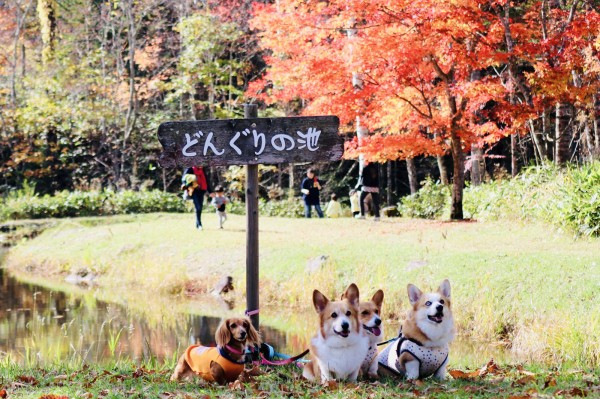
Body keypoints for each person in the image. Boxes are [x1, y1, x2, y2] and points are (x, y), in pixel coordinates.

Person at [182, 166, 210, 230]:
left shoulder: (202, 169)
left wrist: (210, 191)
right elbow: (184, 178)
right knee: (198, 207)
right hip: (194, 191)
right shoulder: (190, 168)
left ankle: (198, 224)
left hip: (202, 190)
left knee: (200, 207)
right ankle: (199, 224)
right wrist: (189, 184)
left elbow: (206, 180)